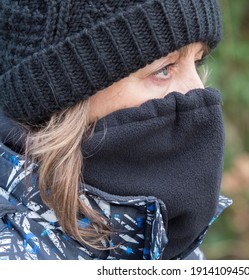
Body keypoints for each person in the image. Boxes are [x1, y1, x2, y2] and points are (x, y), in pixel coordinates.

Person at [0, 0, 232, 260]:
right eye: (164, 69)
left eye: (197, 62)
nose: (198, 92)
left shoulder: (160, 234)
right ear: (67, 96)